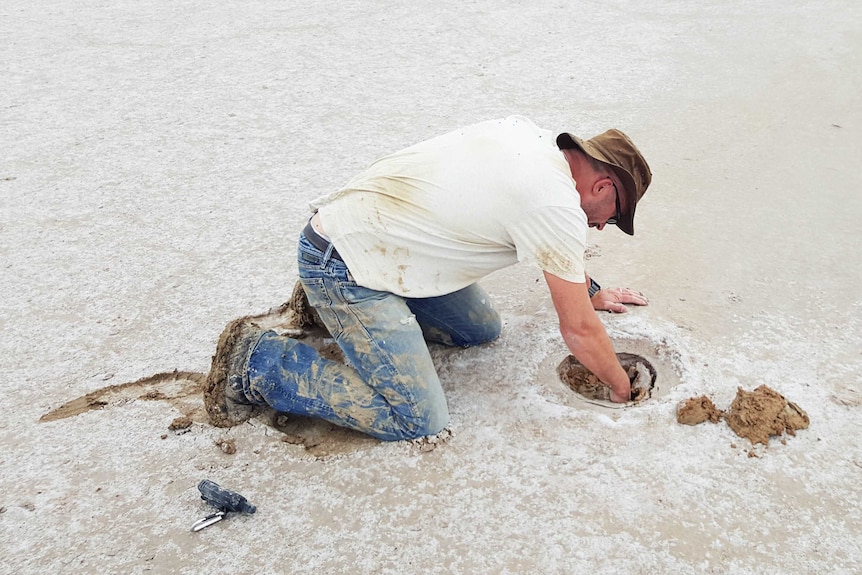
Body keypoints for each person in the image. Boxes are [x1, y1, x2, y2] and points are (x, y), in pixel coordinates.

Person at [204, 116, 652, 441]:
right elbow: (577, 329)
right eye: (610, 219)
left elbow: (554, 248)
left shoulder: (527, 138)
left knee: (481, 330)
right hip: (342, 261)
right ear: (604, 187)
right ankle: (256, 363)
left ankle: (323, 308)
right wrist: (620, 387)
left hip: (373, 238)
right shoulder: (552, 204)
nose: (599, 227)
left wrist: (588, 290)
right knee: (417, 419)